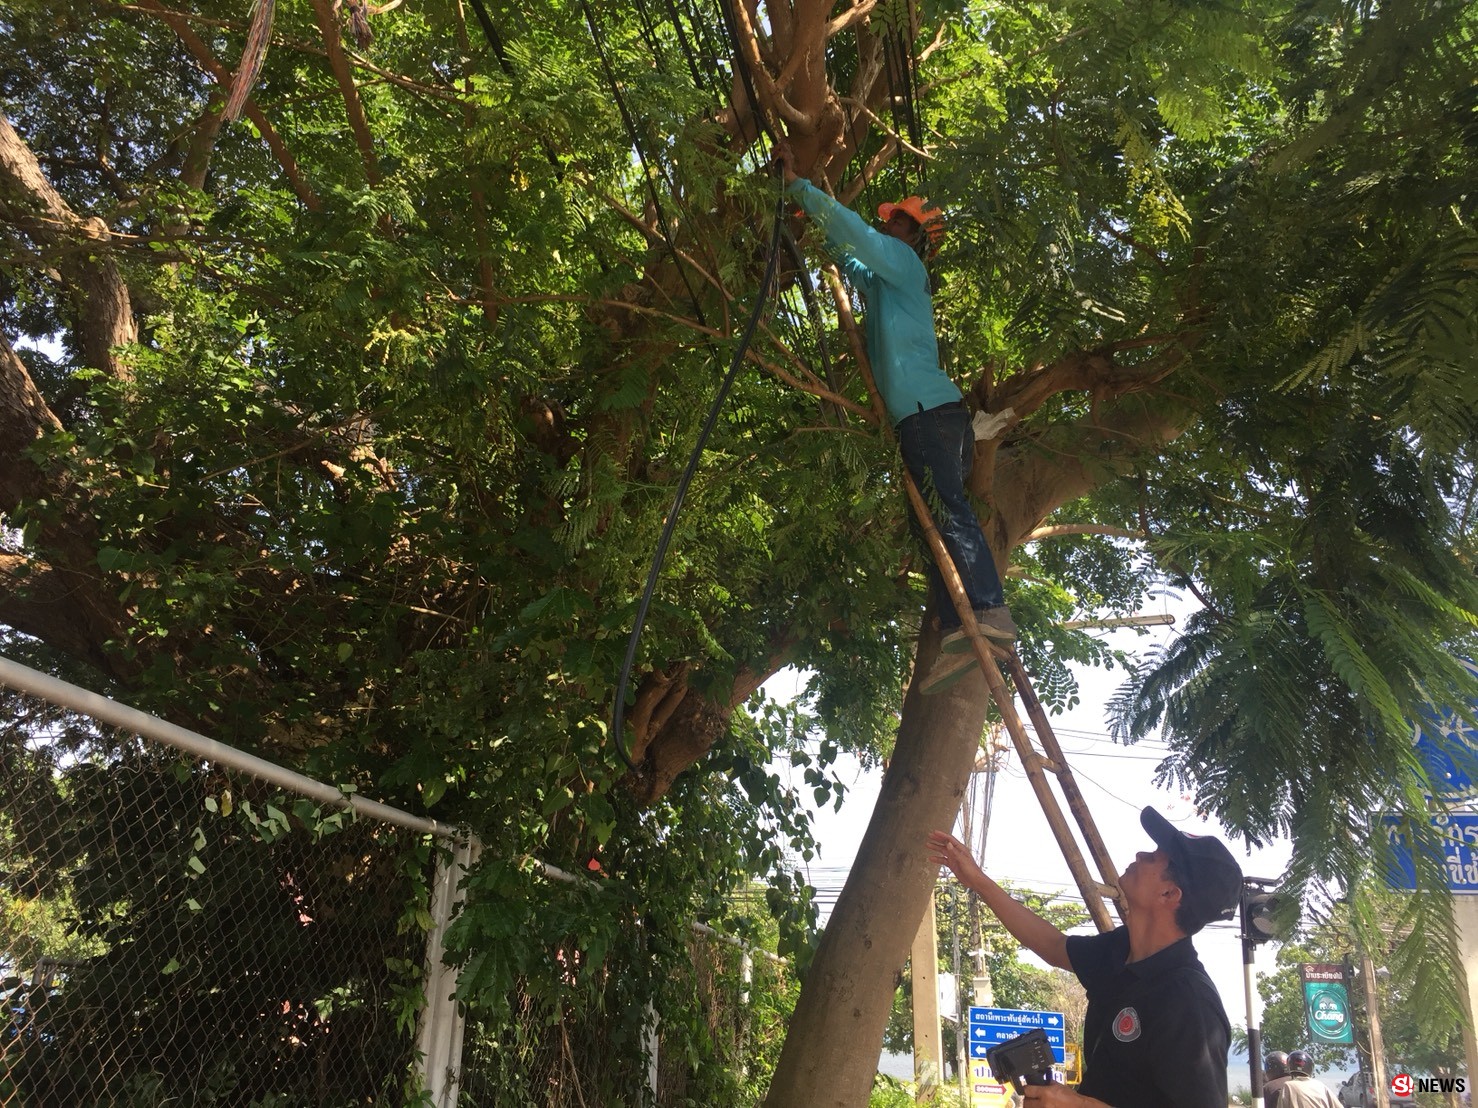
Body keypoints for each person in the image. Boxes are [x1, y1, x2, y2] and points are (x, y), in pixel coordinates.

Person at [774, 144, 1014, 686]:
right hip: (927, 417)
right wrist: (808, 221)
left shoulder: (904, 265)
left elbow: (859, 237)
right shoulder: (886, 283)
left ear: (914, 237)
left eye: (898, 222)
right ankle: (962, 625)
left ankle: (990, 611)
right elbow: (850, 256)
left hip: (929, 413)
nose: (890, 228)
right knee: (926, 521)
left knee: (947, 511)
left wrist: (801, 188)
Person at [927, 807, 1243, 1107]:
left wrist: (1079, 1105)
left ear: (1169, 895)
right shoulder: (1120, 951)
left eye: (1154, 857)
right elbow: (1053, 945)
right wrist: (977, 880)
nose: (1139, 855)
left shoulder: (1189, 1003)